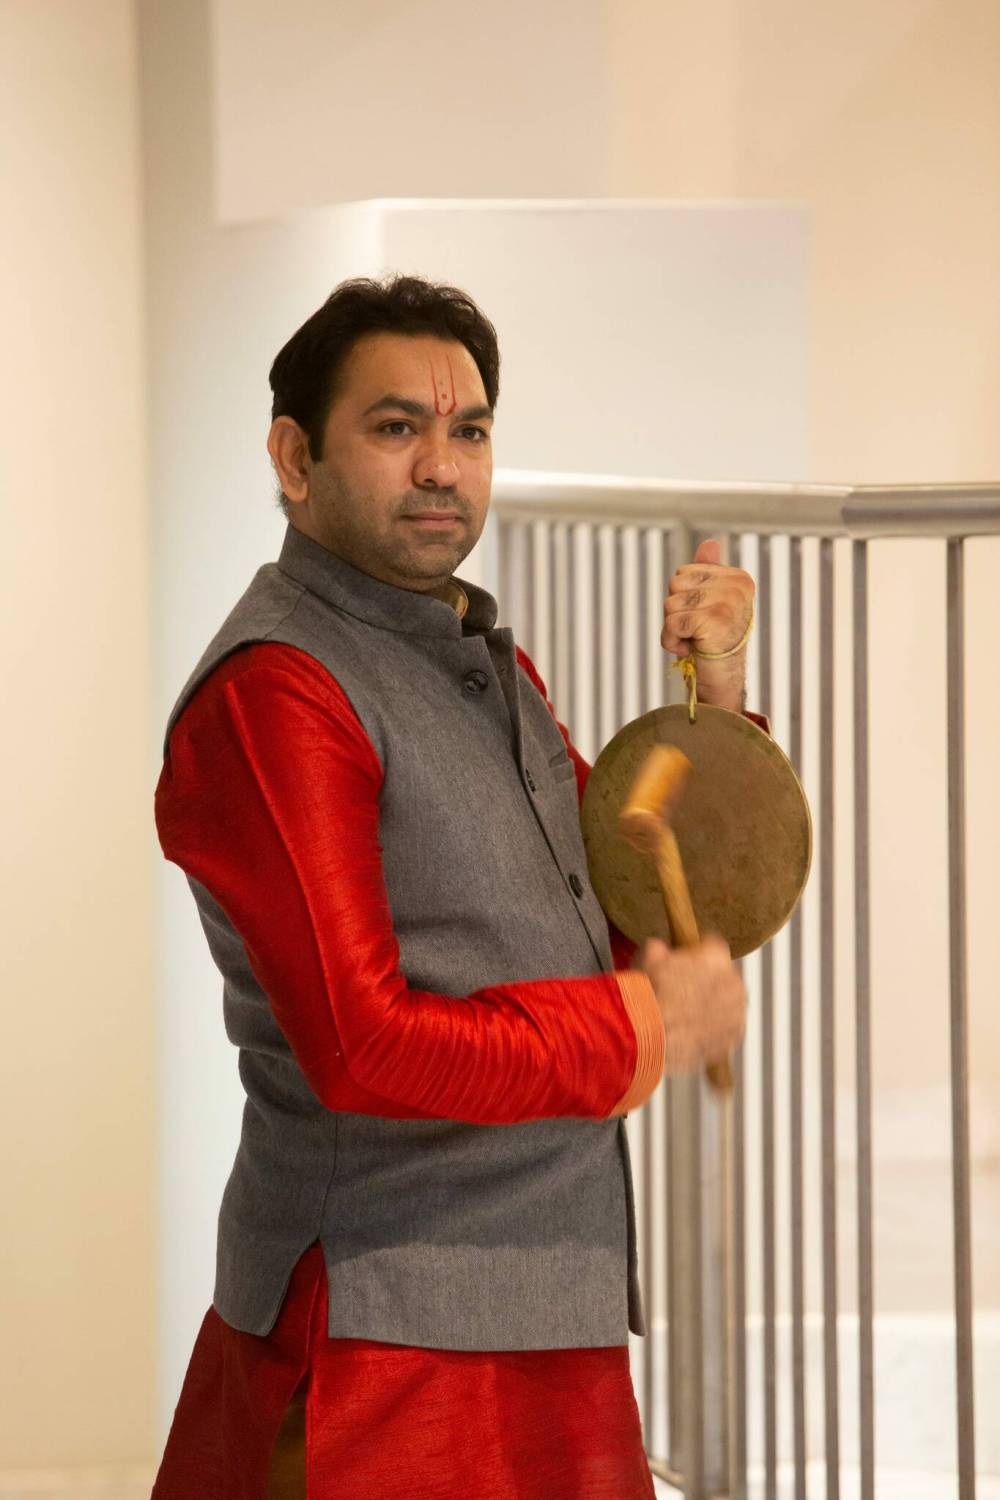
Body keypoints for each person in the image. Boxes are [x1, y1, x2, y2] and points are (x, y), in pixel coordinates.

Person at [151, 274, 757, 1499]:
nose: (441, 465)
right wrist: (639, 1028)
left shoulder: (477, 654)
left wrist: (719, 694)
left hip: (547, 1314)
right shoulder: (280, 690)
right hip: (382, 1341)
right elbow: (360, 1048)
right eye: (395, 427)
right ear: (293, 454)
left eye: (468, 430)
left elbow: (640, 896)